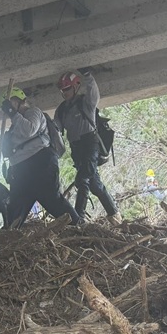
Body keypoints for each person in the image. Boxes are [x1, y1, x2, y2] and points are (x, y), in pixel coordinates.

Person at [0, 86, 83, 228]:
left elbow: (29, 130)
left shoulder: (34, 113)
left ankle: (79, 227)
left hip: (40, 164)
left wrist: (13, 113)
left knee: (53, 201)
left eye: (8, 104)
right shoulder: (13, 127)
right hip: (20, 171)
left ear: (18, 100)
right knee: (14, 212)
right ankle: (7, 237)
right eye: (4, 107)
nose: (6, 109)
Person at [54, 70, 119, 223]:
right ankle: (115, 215)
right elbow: (55, 128)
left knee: (82, 180)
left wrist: (89, 76)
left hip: (90, 145)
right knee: (95, 185)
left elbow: (94, 92)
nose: (65, 93)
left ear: (76, 87)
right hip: (76, 149)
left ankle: (79, 219)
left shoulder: (86, 103)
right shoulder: (61, 110)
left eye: (67, 89)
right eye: (63, 90)